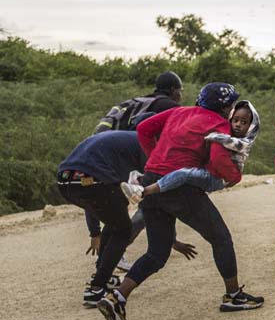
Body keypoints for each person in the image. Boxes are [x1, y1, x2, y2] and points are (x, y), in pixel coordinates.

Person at [96, 83, 264, 320]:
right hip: (179, 189)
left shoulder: (179, 112)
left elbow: (144, 128)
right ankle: (233, 295)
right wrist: (233, 178)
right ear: (225, 107)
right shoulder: (218, 124)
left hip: (151, 179)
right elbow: (218, 159)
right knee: (221, 238)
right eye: (230, 105)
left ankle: (117, 297)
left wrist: (156, 159)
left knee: (157, 252)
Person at [56, 131, 196, 308]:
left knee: (116, 218)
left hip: (65, 181)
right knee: (123, 230)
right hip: (93, 181)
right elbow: (156, 189)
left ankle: (101, 277)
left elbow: (90, 200)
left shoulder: (120, 142)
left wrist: (95, 233)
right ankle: (97, 287)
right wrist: (171, 239)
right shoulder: (146, 145)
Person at [85, 70, 185, 269]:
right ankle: (114, 253)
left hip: (98, 156)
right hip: (128, 157)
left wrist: (93, 231)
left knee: (114, 204)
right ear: (173, 91)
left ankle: (108, 255)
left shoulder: (133, 102)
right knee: (150, 201)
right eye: (180, 91)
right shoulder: (168, 105)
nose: (180, 96)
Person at [121, 101, 259, 202]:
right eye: (235, 120)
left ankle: (143, 191)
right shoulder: (224, 131)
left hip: (216, 178)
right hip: (210, 174)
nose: (238, 124)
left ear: (252, 126)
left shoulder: (243, 141)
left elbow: (223, 155)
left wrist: (216, 136)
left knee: (184, 174)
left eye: (244, 122)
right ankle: (140, 183)